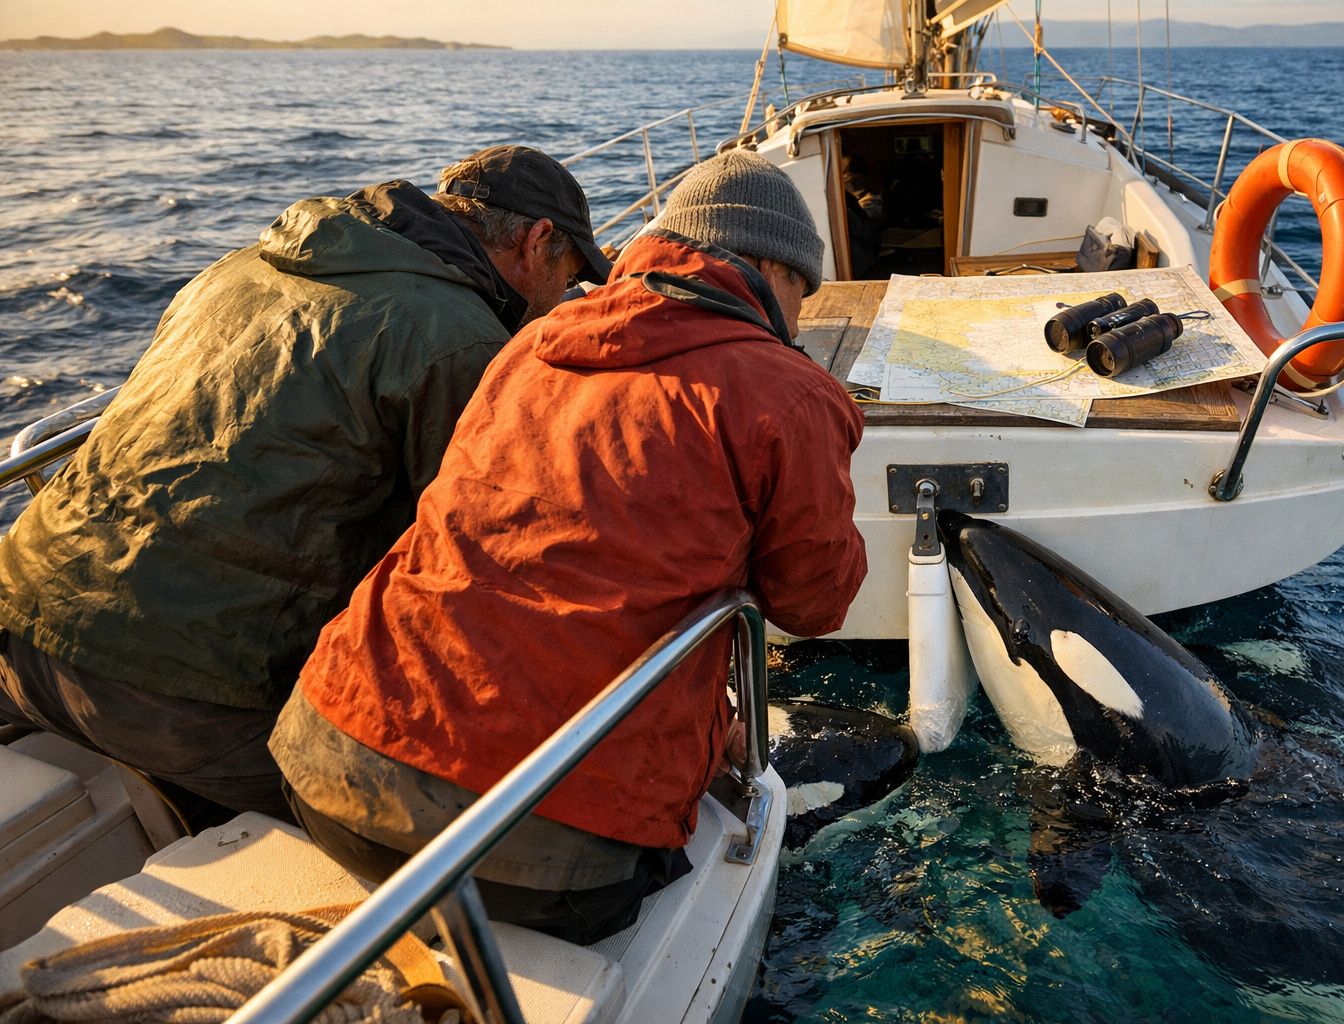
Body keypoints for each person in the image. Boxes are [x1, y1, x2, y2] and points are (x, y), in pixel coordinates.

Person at [269, 149, 868, 944]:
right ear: (763, 266)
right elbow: (815, 602)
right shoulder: (786, 392)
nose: (799, 319)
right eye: (802, 288)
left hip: (324, 763)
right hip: (546, 862)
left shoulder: (529, 341)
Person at [0, 145, 610, 822]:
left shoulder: (235, 269)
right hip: (182, 693)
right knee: (447, 827)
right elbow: (480, 563)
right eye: (570, 277)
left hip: (20, 618)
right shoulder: (457, 339)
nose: (565, 298)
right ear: (538, 242)